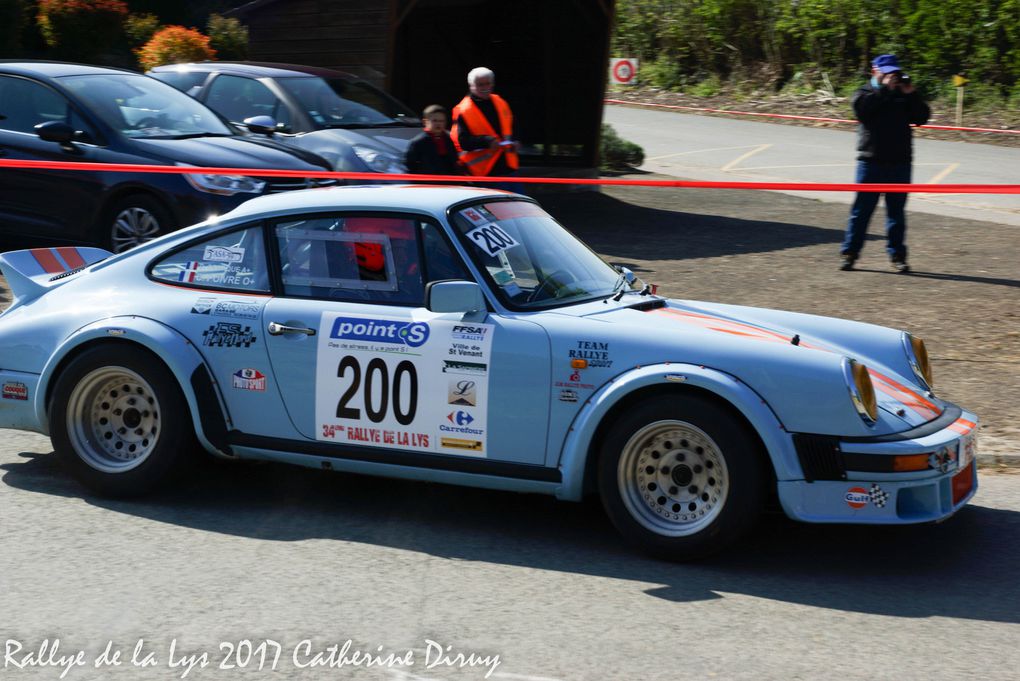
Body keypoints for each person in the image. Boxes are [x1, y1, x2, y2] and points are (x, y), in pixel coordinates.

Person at [840, 54, 930, 273]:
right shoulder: (865, 93)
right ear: (875, 71)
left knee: (896, 213)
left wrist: (912, 94)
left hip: (900, 163)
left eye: (895, 73)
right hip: (871, 163)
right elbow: (862, 112)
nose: (892, 77)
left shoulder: (903, 94)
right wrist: (883, 90)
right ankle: (850, 253)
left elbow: (922, 117)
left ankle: (897, 255)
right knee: (861, 212)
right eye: (887, 72)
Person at [451, 67, 520, 185]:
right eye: (480, 85)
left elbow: (512, 127)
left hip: (508, 166)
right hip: (483, 172)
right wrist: (487, 141)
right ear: (471, 85)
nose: (484, 88)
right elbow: (461, 142)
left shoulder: (501, 102)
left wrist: (516, 141)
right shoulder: (463, 110)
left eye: (487, 84)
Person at [404, 104, 461, 177]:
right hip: (427, 183)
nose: (438, 124)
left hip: (448, 182)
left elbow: (454, 161)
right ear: (425, 122)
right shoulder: (418, 142)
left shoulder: (449, 139)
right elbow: (410, 165)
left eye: (441, 121)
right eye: (434, 120)